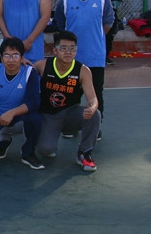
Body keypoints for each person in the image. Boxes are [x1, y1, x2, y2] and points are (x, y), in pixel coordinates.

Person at [54, 0, 113, 127]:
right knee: (70, 94)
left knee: (96, 94)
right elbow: (60, 26)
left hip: (95, 57)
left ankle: (96, 127)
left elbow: (108, 24)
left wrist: (94, 37)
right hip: (70, 58)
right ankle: (69, 126)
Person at [34, 31, 101, 172]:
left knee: (95, 115)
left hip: (71, 113)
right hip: (49, 115)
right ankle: (48, 135)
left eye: (72, 48)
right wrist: (21, 62)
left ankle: (84, 153)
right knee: (46, 150)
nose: (68, 52)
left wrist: (92, 107)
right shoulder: (42, 66)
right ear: (55, 50)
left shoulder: (83, 70)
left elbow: (92, 98)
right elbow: (23, 73)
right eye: (63, 48)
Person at [0, 37, 44, 170]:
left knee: (36, 119)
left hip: (21, 117)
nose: (11, 60)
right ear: (1, 58)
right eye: (7, 56)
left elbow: (34, 102)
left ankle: (28, 153)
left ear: (22, 57)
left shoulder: (29, 72)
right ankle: (4, 143)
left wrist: (12, 113)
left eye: (15, 55)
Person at [93, 0, 123, 65]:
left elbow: (118, 2)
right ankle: (95, 56)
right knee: (96, 35)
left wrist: (108, 4)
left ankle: (105, 57)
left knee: (108, 36)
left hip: (110, 15)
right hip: (97, 15)